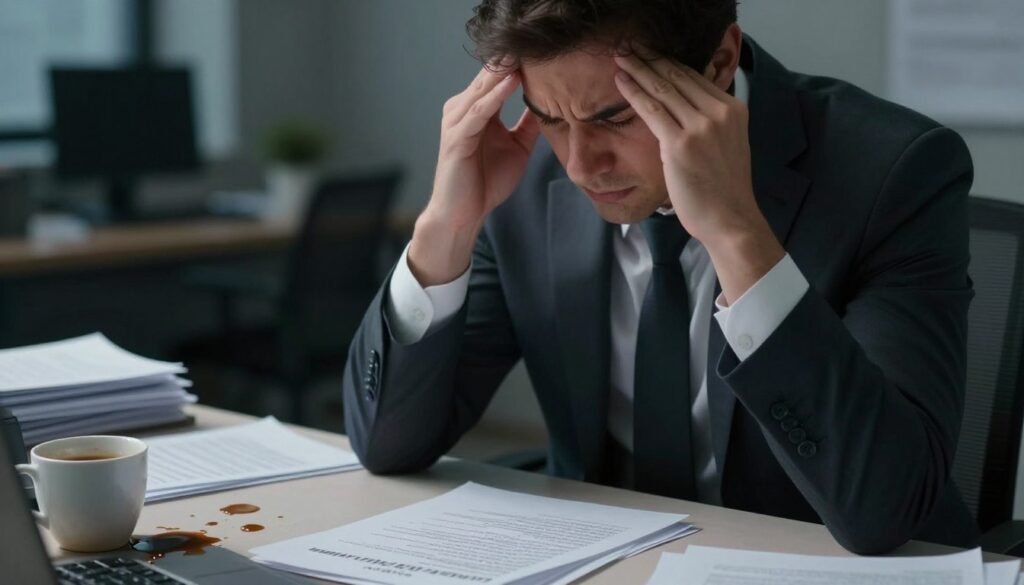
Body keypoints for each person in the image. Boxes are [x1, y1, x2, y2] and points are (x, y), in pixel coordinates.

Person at [342, 0, 977, 554]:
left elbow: (886, 509)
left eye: (615, 117)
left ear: (720, 62)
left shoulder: (895, 173)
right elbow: (389, 445)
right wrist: (445, 228)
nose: (580, 165)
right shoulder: (524, 176)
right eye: (552, 119)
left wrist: (738, 236)